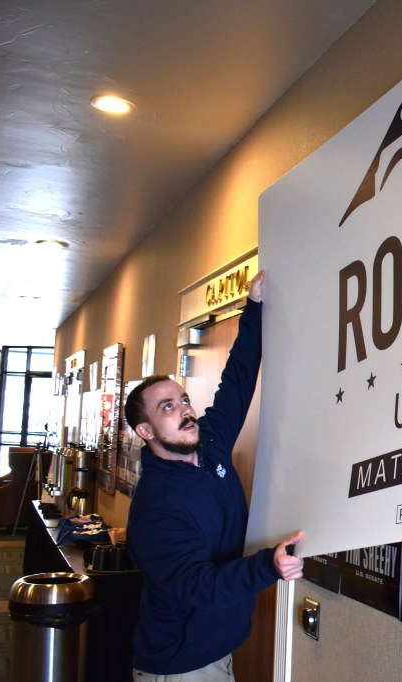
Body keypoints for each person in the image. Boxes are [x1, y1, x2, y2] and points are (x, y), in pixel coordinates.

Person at [125, 269, 304, 680]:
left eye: (182, 399)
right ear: (146, 431)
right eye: (167, 407)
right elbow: (200, 585)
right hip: (179, 666)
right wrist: (268, 567)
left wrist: (254, 307)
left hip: (214, 651)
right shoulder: (156, 509)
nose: (185, 409)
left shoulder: (208, 445)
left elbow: (237, 382)